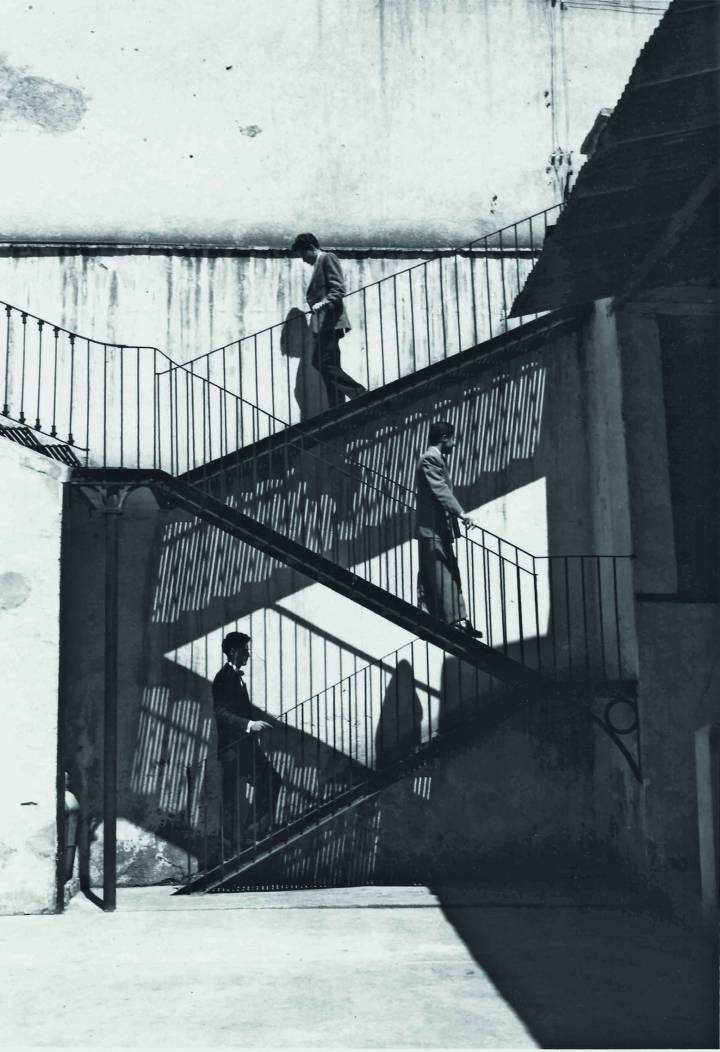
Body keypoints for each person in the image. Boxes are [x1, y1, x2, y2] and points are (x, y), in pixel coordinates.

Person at [212, 631, 282, 851]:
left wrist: (252, 725)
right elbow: (221, 712)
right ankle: (235, 843)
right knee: (233, 796)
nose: (248, 655)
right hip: (233, 748)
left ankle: (253, 831)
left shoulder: (236, 678)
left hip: (245, 745)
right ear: (233, 652)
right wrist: (250, 724)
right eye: (245, 651)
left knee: (270, 779)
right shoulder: (223, 677)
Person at [414, 420, 483, 637]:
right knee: (442, 572)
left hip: (437, 528)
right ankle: (455, 621)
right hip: (432, 528)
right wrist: (461, 514)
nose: (454, 444)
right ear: (445, 438)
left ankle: (451, 617)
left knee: (443, 571)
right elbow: (441, 490)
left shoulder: (436, 458)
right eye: (453, 439)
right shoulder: (431, 459)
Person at [291, 232, 366, 408]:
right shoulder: (319, 262)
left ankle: (359, 393)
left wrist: (322, 304)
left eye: (303, 255)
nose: (303, 260)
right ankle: (336, 405)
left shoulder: (327, 258)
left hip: (330, 323)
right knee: (330, 365)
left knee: (322, 363)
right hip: (324, 325)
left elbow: (338, 289)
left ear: (311, 248)